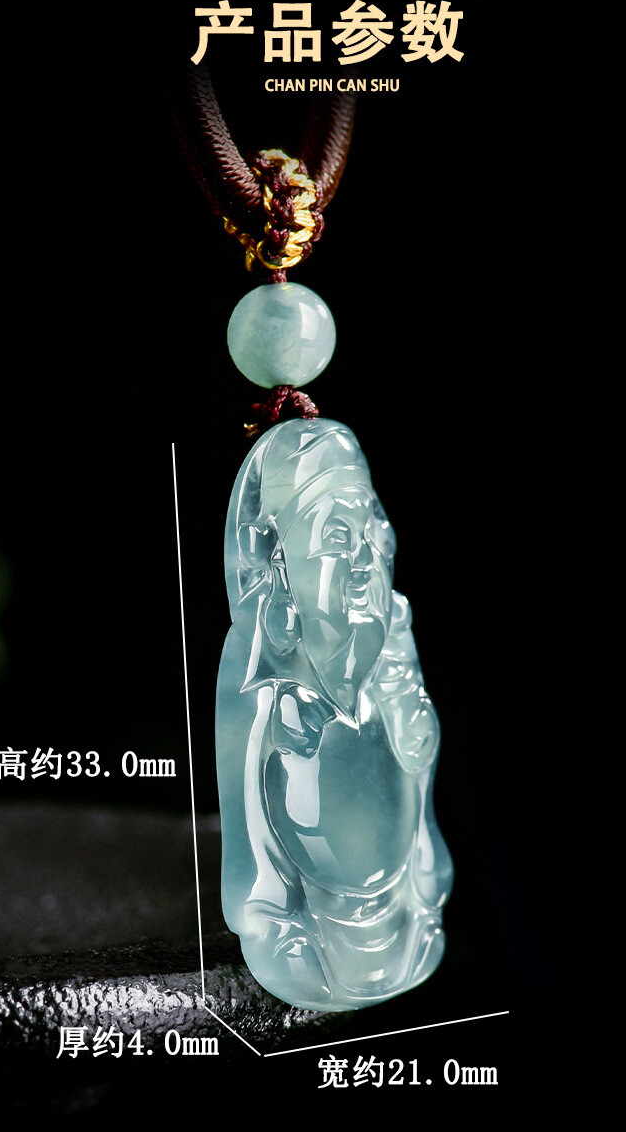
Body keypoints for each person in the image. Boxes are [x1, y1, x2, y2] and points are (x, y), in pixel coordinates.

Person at [216, 418, 453, 1011]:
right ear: (281, 566)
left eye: (372, 536)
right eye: (338, 540)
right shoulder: (260, 678)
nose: (365, 562)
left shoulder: (392, 657)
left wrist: (409, 710)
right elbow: (246, 822)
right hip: (308, 936)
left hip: (408, 923)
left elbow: (419, 789)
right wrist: (265, 909)